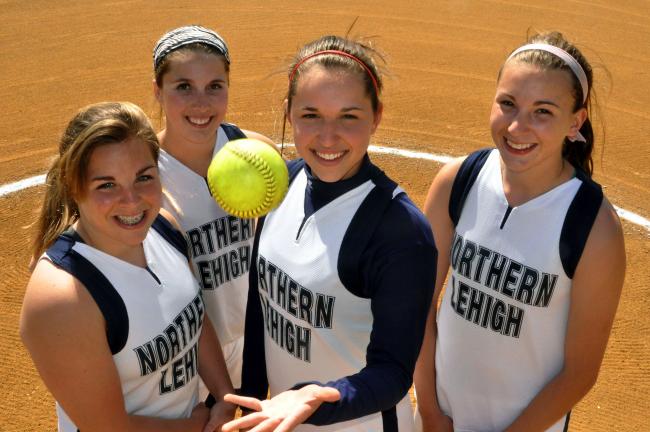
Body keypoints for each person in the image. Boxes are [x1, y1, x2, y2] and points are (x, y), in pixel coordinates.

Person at [221, 35, 438, 432]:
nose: (327, 136)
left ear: (376, 116)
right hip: (283, 418)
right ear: (289, 114)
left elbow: (393, 372)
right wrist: (250, 399)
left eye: (349, 117)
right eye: (311, 115)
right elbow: (261, 305)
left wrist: (314, 400)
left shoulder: (399, 231)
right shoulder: (279, 184)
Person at [413, 31, 626, 432]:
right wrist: (429, 411)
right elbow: (419, 304)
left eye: (543, 111)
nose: (517, 126)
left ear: (575, 122)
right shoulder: (458, 180)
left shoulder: (593, 226)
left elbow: (579, 372)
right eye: (507, 103)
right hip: (438, 420)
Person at [19, 102, 235, 432]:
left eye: (144, 177)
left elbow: (193, 315)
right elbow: (107, 428)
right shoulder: (62, 298)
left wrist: (223, 396)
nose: (132, 200)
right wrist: (197, 426)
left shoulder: (164, 227)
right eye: (107, 184)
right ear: (72, 185)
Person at [153, 25, 276, 392]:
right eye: (183, 86)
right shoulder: (141, 173)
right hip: (187, 353)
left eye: (215, 86)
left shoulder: (255, 151)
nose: (201, 103)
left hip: (256, 339)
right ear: (158, 91)